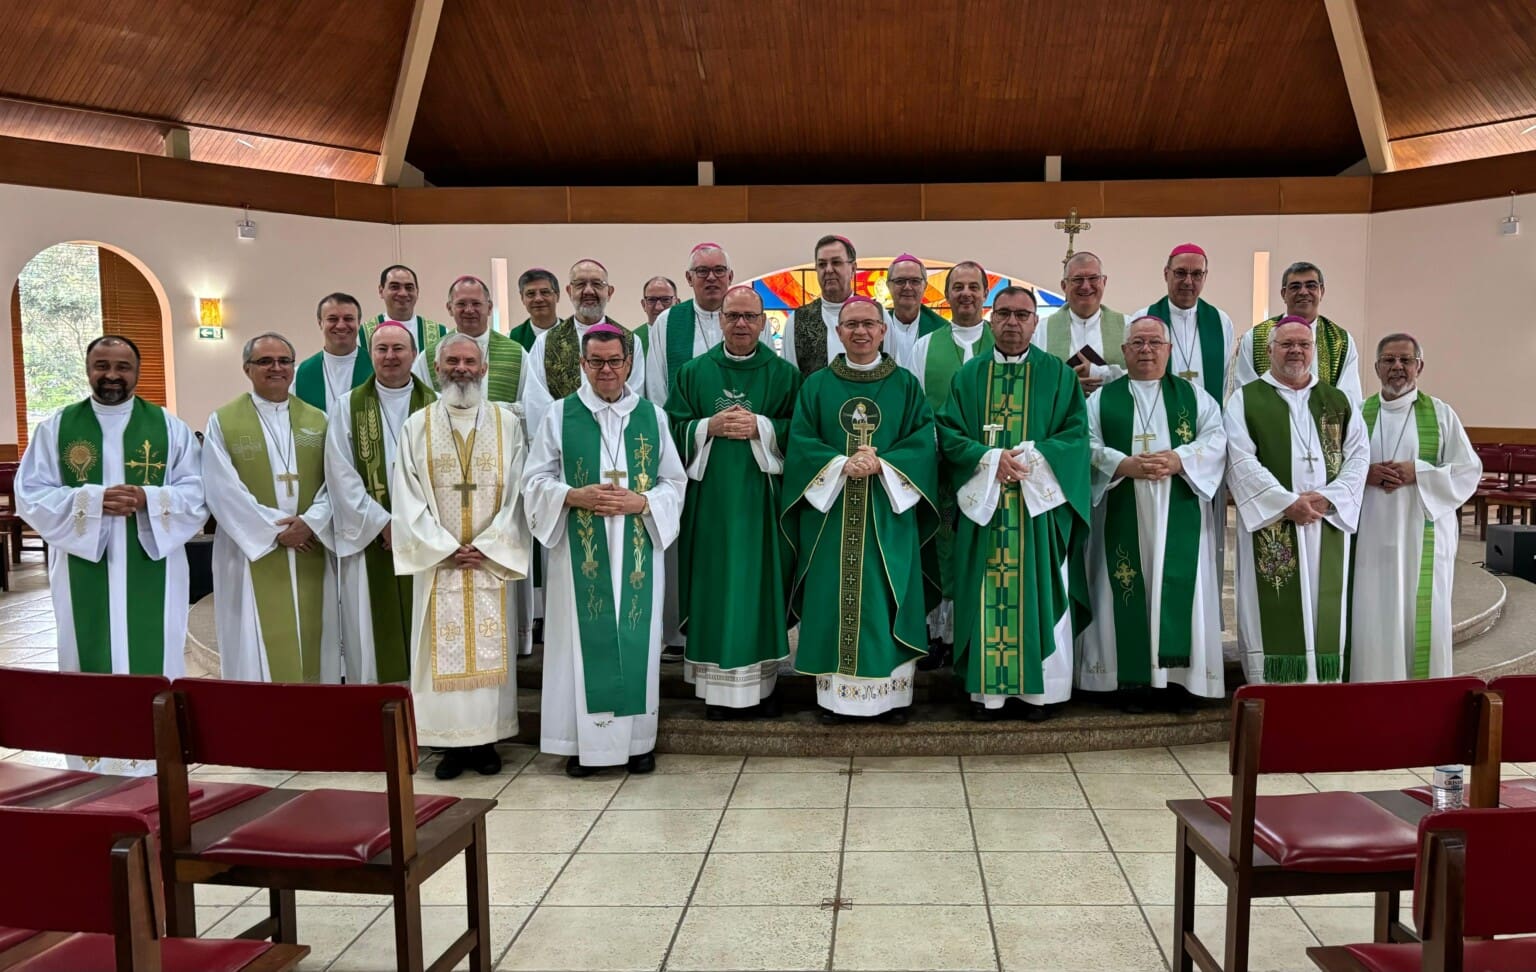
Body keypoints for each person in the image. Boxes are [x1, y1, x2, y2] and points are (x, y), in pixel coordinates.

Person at [525, 324, 685, 776]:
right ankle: (584, 747)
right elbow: (534, 481)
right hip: (578, 554)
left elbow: (674, 481)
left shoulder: (652, 416)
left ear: (629, 364)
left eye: (615, 361)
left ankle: (637, 743)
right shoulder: (559, 415)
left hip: (637, 549)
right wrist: (571, 495)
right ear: (583, 364)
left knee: (636, 639)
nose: (606, 370)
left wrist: (643, 502)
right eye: (596, 362)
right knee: (580, 644)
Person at [782, 296, 939, 724]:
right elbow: (800, 443)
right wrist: (840, 464)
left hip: (889, 512)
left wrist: (883, 464)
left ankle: (891, 699)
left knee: (886, 596)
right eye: (851, 324)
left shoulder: (905, 385)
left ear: (883, 331)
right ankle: (836, 700)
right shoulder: (816, 385)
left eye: (869, 323)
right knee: (831, 598)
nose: (861, 332)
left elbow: (923, 442)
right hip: (830, 515)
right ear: (838, 332)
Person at [937, 286, 1090, 721]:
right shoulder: (969, 376)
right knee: (984, 593)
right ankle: (988, 695)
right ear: (991, 320)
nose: (1012, 323)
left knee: (1035, 591)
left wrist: (1028, 460)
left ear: (1035, 322)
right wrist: (989, 459)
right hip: (985, 511)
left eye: (1022, 315)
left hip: (1035, 512)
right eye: (1004, 314)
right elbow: (948, 433)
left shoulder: (1058, 376)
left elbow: (1076, 437)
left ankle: (1038, 695)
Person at [16, 336, 206, 679]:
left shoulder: (169, 427)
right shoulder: (55, 428)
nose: (112, 375)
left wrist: (148, 498)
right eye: (102, 366)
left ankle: (155, 711)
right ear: (88, 369)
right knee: (87, 652)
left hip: (153, 558)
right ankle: (92, 714)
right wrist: (93, 501)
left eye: (123, 367)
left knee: (155, 651)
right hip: (81, 560)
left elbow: (198, 491)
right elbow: (30, 494)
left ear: (137, 372)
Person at [392, 333, 532, 779]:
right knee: (439, 650)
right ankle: (449, 745)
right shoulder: (417, 426)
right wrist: (444, 546)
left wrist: (488, 546)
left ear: (484, 368)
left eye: (470, 361)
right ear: (437, 368)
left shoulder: (507, 425)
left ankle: (486, 741)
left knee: (492, 647)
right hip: (439, 563)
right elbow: (406, 495)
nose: (461, 369)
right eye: (452, 361)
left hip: (489, 561)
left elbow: (519, 492)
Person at [1078, 316, 1227, 709]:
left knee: (1177, 585)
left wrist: (1180, 459)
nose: (1146, 350)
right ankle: (1128, 682)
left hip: (1178, 507)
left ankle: (1179, 680)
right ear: (1124, 351)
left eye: (1154, 343)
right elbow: (1084, 443)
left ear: (1169, 350)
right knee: (1124, 586)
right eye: (1138, 343)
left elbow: (1216, 439)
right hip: (1121, 507)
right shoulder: (1101, 400)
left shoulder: (1195, 397)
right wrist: (1121, 464)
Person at [666, 286, 801, 718]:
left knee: (758, 587)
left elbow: (802, 431)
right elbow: (669, 428)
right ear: (720, 320)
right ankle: (716, 692)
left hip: (762, 506)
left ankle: (762, 687)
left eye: (750, 316)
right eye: (733, 316)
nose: (741, 324)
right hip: (710, 505)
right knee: (714, 585)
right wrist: (706, 426)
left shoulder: (785, 375)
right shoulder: (693, 372)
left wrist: (762, 426)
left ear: (763, 322)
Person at [1226, 318, 1368, 684]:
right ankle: (1273, 685)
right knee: (1272, 602)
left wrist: (1328, 499)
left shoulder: (1337, 401)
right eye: (1287, 344)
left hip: (1325, 521)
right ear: (1270, 350)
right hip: (1273, 521)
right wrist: (1285, 502)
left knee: (1324, 602)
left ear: (1313, 351)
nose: (1296, 351)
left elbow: (1358, 456)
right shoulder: (1246, 399)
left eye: (1304, 345)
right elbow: (1239, 459)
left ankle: (1323, 684)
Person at [203, 332, 337, 682]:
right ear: (247, 368)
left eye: (284, 361)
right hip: (252, 551)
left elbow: (336, 481)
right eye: (265, 361)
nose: (276, 368)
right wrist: (276, 530)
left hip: (310, 545)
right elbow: (220, 487)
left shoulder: (319, 419)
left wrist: (311, 522)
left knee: (315, 639)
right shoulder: (223, 421)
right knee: (255, 643)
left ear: (293, 367)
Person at [1350, 335, 1480, 681]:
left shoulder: (1440, 414)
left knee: (1421, 613)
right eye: (1389, 360)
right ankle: (1372, 688)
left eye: (1405, 360)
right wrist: (1365, 474)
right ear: (1376, 367)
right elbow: (1338, 469)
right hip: (1371, 536)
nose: (1397, 367)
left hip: (1421, 535)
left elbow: (1468, 470)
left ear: (1419, 366)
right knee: (1374, 612)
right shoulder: (1358, 414)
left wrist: (1418, 473)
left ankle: (1422, 695)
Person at [324, 323, 436, 684]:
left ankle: (426, 708)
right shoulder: (347, 406)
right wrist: (382, 524)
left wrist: (412, 526)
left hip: (424, 540)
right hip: (371, 540)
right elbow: (339, 472)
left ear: (414, 354)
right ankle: (377, 709)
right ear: (370, 355)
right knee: (371, 636)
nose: (390, 357)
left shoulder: (436, 406)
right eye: (382, 349)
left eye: (398, 349)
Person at [644, 243, 734, 661]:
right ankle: (679, 634)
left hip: (738, 455)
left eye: (718, 270)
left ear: (730, 276)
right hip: (685, 450)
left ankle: (727, 625)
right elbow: (657, 387)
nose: (711, 278)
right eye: (702, 271)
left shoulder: (743, 315)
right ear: (688, 279)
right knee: (682, 543)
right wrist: (679, 441)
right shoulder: (668, 322)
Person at [904, 261, 994, 670]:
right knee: (942, 549)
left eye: (974, 286)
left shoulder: (1002, 341)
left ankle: (979, 630)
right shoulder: (925, 346)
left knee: (984, 548)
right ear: (947, 294)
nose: (966, 294)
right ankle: (941, 635)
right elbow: (916, 408)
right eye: (958, 287)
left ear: (985, 293)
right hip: (942, 466)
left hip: (991, 468)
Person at [523, 259, 646, 436]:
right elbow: (536, 401)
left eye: (597, 284)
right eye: (580, 284)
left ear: (609, 292)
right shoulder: (545, 342)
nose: (588, 291)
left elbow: (634, 396)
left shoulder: (630, 341)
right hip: (563, 439)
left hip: (616, 438)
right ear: (569, 291)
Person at [1233, 261, 1363, 404]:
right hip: (1266, 417)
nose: (1303, 292)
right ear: (1283, 294)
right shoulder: (1255, 338)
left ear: (1321, 291)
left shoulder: (1341, 341)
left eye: (1311, 286)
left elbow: (1349, 400)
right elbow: (1244, 396)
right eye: (1295, 287)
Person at [1129, 244, 1233, 405]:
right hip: (1158, 413)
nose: (1188, 281)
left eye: (1197, 274)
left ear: (1205, 276)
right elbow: (1135, 375)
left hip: (1207, 416)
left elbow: (1224, 377)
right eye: (1180, 273)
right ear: (1166, 274)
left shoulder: (1221, 321)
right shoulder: (1143, 319)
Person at [416, 276, 526, 406]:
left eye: (476, 303)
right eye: (461, 304)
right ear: (450, 308)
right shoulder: (430, 355)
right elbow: (420, 403)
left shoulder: (517, 353)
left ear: (490, 307)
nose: (469, 310)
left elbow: (530, 404)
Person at [1036, 252, 1127, 395]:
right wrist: (1067, 386)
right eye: (1077, 279)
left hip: (1112, 408)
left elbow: (1141, 376)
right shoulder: (1041, 330)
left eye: (1093, 278)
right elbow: (1033, 378)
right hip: (1061, 409)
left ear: (1104, 282)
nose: (1085, 286)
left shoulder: (1128, 326)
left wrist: (1099, 373)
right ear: (1064, 286)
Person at [781, 234, 857, 376]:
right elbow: (789, 377)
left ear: (853, 268)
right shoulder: (797, 320)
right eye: (822, 264)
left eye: (836, 262)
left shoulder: (876, 315)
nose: (828, 270)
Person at [293, 293, 372, 412]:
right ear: (320, 323)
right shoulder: (298, 375)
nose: (341, 325)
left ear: (358, 323)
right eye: (332, 319)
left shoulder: (377, 369)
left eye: (348, 319)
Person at [882, 253, 946, 368]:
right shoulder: (877, 326)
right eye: (900, 281)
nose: (907, 287)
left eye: (915, 281)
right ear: (888, 286)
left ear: (925, 286)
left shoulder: (942, 330)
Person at [367, 264, 445, 354]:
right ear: (381, 291)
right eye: (394, 287)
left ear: (417, 292)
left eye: (409, 288)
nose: (403, 293)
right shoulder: (363, 335)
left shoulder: (441, 334)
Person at [508, 268, 562, 351]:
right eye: (530, 293)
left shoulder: (575, 334)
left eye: (545, 292)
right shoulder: (511, 339)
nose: (538, 299)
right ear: (522, 299)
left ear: (557, 296)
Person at [632, 275, 678, 357]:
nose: (658, 307)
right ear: (644, 305)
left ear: (677, 303)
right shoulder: (633, 340)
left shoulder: (690, 335)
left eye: (666, 299)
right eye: (652, 300)